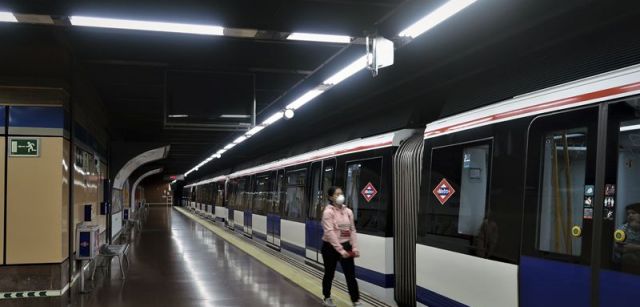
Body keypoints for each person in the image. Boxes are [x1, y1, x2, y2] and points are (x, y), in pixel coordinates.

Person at [321, 186, 361, 307]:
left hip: (346, 245)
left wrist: (354, 247)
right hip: (330, 247)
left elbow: (352, 230)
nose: (340, 196)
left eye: (341, 193)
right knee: (329, 273)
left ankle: (356, 300)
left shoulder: (348, 212)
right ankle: (327, 297)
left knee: (350, 275)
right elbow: (329, 232)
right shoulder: (328, 212)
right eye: (337, 194)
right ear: (330, 197)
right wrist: (340, 250)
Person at [616, 203, 640, 271]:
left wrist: (634, 248)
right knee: (628, 257)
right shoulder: (622, 229)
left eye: (633, 213)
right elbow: (617, 248)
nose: (630, 215)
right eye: (628, 214)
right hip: (628, 259)